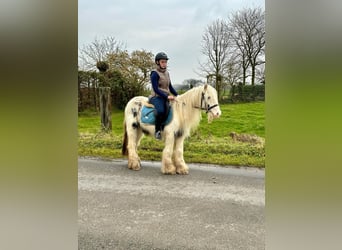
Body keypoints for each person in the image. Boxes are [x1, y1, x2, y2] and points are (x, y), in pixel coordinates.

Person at [149, 52, 178, 140]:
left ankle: (167, 129)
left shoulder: (167, 73)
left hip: (165, 96)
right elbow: (156, 89)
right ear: (157, 62)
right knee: (161, 111)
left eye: (165, 62)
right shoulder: (154, 74)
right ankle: (157, 131)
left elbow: (170, 87)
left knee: (171, 111)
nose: (164, 64)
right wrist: (166, 97)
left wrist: (178, 96)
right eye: (162, 62)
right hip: (156, 97)